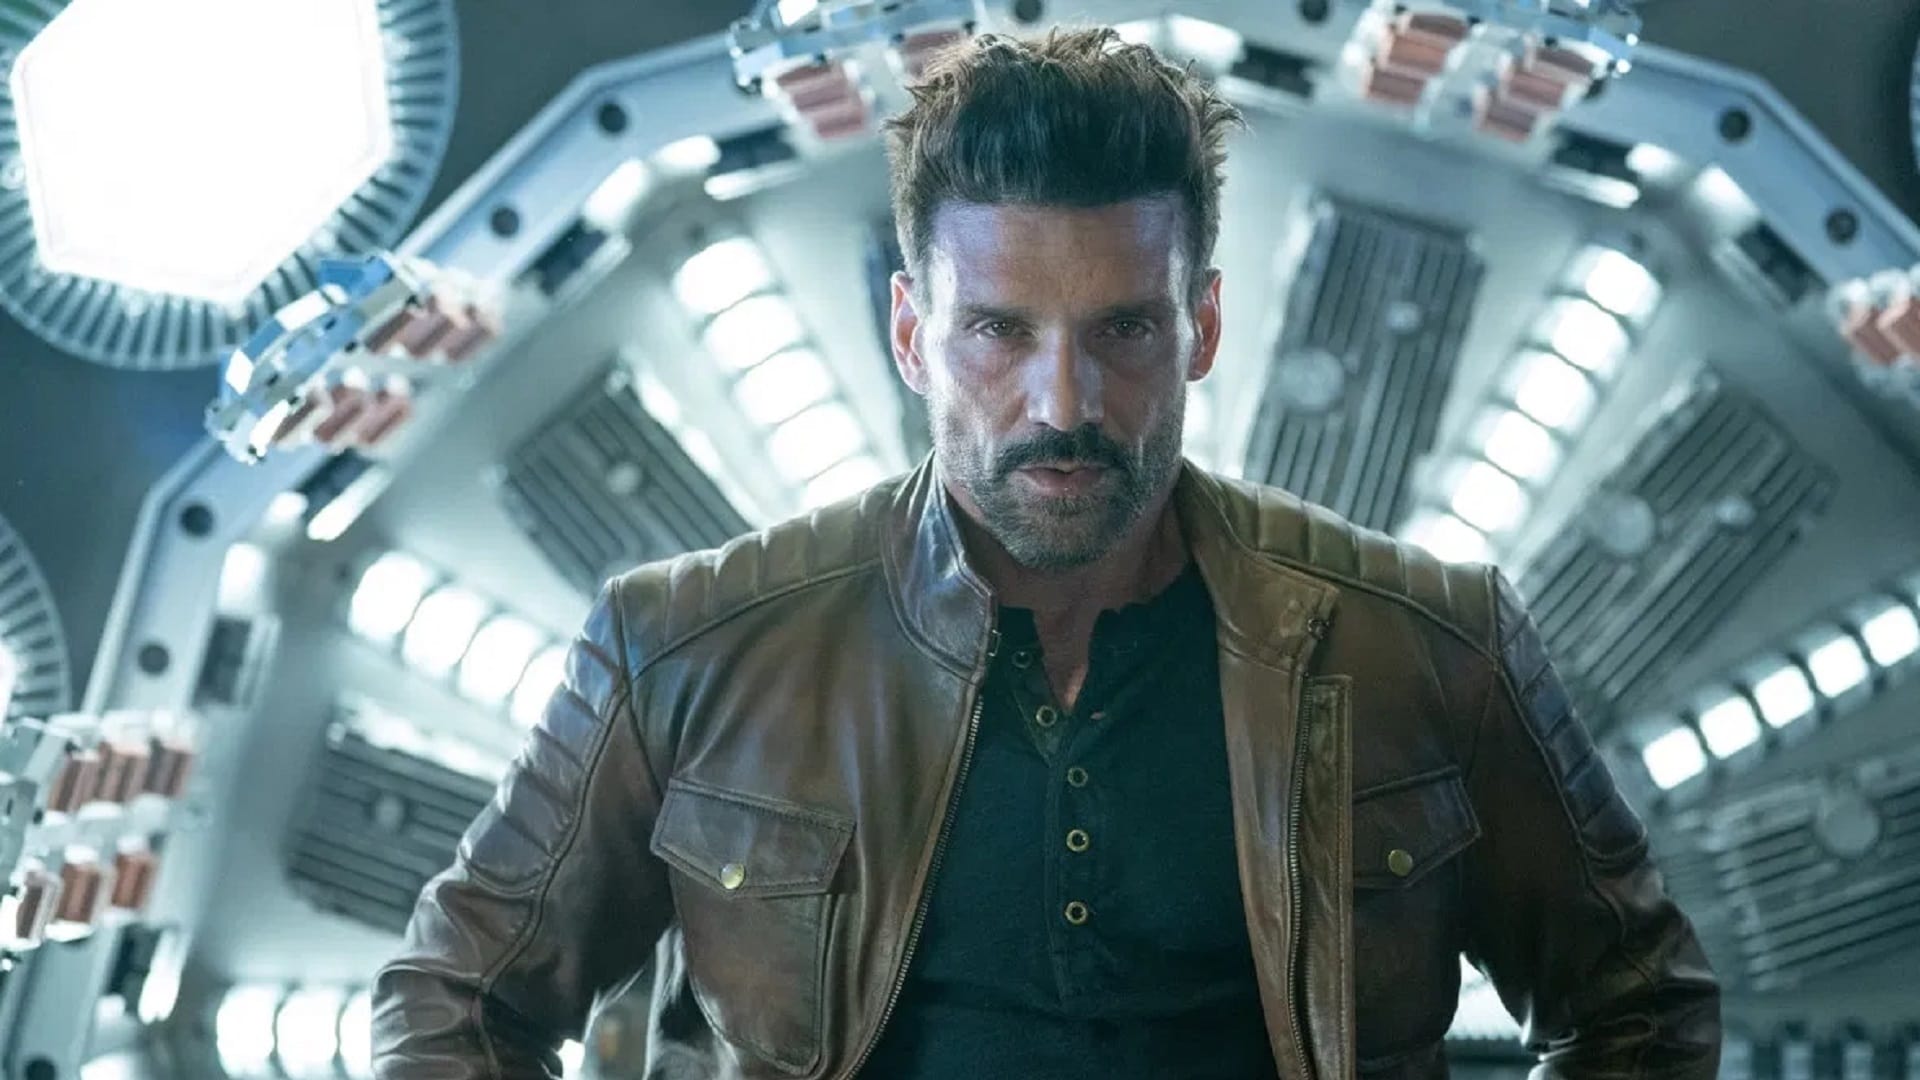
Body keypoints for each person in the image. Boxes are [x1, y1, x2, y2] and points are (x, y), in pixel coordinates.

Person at [371, 26, 1720, 1080]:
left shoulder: (1429, 642)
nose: (1062, 403)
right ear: (913, 334)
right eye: (999, 332)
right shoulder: (685, 649)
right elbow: (456, 1002)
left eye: (1123, 330)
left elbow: (1641, 1007)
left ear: (1201, 328)